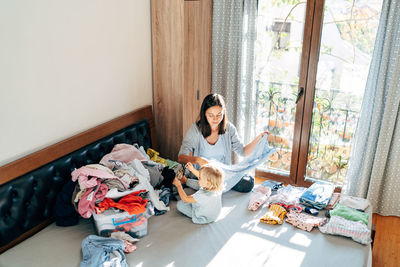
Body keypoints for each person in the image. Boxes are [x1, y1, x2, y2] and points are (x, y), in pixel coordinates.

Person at [178, 93, 268, 193]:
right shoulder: (195, 129)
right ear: (204, 114)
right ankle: (199, 184)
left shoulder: (229, 129)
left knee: (249, 182)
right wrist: (198, 160)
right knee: (203, 184)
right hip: (201, 176)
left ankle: (210, 187)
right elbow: (181, 157)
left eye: (219, 115)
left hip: (222, 176)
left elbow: (243, 152)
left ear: (224, 113)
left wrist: (259, 138)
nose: (215, 119)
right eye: (211, 115)